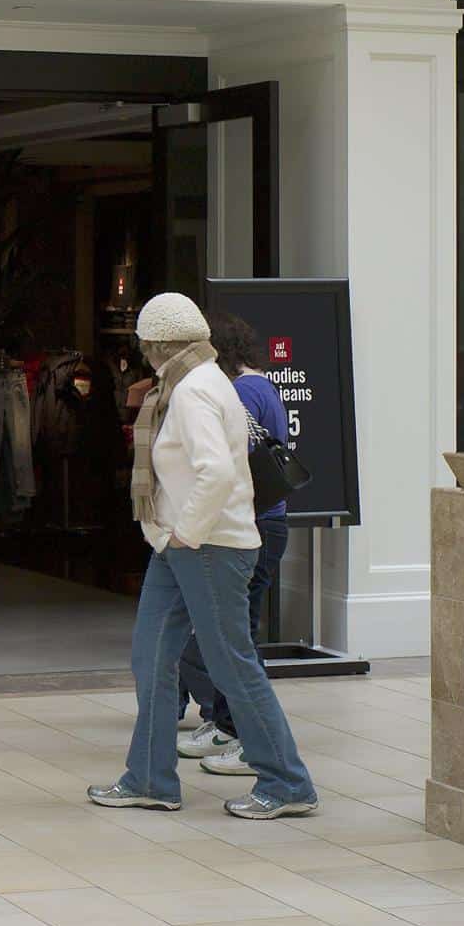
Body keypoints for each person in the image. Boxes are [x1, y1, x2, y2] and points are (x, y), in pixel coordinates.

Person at [89, 293, 317, 820]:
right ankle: (149, 778)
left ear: (156, 344)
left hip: (207, 545)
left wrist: (186, 531)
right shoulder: (197, 380)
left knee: (230, 665)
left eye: (144, 343)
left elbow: (215, 471)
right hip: (178, 545)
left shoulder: (192, 391)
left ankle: (287, 783)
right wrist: (173, 536)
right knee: (151, 657)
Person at [178, 312, 291, 774]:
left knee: (235, 638)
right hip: (270, 522)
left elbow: (227, 456)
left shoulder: (241, 392)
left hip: (255, 525)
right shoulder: (265, 387)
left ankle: (245, 735)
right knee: (234, 633)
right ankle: (227, 724)